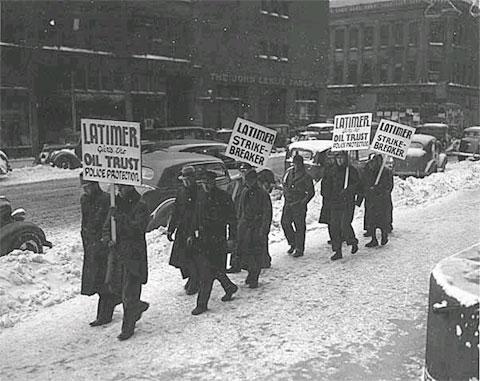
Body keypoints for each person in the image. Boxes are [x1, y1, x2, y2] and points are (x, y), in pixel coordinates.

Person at [103, 184, 150, 341]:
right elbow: (107, 226)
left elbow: (138, 229)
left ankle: (127, 328)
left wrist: (121, 219)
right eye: (118, 188)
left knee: (129, 293)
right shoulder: (115, 205)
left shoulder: (140, 205)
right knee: (116, 289)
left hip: (133, 256)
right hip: (117, 255)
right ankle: (137, 307)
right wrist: (108, 238)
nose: (120, 191)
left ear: (129, 186)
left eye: (122, 187)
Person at [188, 171, 238, 316]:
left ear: (214, 182)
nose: (205, 185)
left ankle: (202, 304)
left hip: (218, 239)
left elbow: (232, 219)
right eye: (203, 182)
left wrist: (231, 238)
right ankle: (229, 287)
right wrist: (192, 233)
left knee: (208, 272)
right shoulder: (201, 196)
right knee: (211, 269)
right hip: (203, 240)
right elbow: (196, 217)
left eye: (208, 182)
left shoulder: (223, 197)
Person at [79, 174, 120, 327]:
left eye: (88, 187)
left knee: (104, 280)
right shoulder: (85, 200)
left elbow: (107, 222)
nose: (86, 190)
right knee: (97, 281)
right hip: (91, 247)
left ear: (94, 185)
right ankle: (115, 301)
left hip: (103, 246)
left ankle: (105, 314)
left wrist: (104, 241)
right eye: (84, 188)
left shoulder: (105, 199)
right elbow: (85, 222)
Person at [167, 165, 199, 295]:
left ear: (193, 178)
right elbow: (176, 211)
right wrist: (171, 229)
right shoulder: (181, 191)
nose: (186, 181)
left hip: (195, 228)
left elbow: (200, 212)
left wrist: (195, 230)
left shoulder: (199, 191)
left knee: (192, 257)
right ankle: (192, 277)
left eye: (188, 179)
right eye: (184, 179)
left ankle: (195, 280)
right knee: (181, 257)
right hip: (183, 228)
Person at [237, 169, 272, 288]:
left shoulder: (262, 193)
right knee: (246, 252)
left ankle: (254, 276)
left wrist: (264, 229)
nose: (248, 182)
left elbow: (267, 213)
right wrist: (239, 224)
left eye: (250, 180)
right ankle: (251, 273)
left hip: (257, 227)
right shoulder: (245, 191)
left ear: (255, 180)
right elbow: (241, 209)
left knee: (255, 253)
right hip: (246, 226)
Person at [322, 151, 360, 261]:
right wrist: (326, 195)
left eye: (342, 158)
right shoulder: (332, 170)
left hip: (347, 202)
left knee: (344, 225)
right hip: (335, 202)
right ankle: (337, 251)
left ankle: (353, 241)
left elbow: (358, 184)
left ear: (345, 158)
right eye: (337, 158)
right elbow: (326, 184)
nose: (339, 160)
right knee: (334, 226)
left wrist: (348, 190)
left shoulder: (351, 170)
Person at [281, 154, 315, 257]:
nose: (295, 166)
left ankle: (300, 248)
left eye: (297, 164)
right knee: (285, 223)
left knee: (299, 227)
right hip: (288, 203)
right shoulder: (289, 173)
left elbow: (311, 192)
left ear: (301, 164)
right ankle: (293, 243)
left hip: (298, 205)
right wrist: (286, 195)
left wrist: (303, 202)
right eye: (294, 163)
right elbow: (285, 184)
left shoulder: (306, 176)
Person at [227, 162, 253, 274]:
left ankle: (249, 265)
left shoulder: (253, 185)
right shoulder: (235, 184)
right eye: (242, 171)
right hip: (235, 216)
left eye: (246, 171)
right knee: (234, 240)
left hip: (247, 218)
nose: (244, 173)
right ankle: (235, 264)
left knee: (248, 241)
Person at [364, 154, 394, 247]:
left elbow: (389, 186)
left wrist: (378, 189)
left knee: (382, 220)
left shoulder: (386, 172)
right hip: (371, 200)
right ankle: (373, 239)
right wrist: (369, 190)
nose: (374, 163)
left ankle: (384, 236)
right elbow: (365, 182)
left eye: (377, 161)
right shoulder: (370, 171)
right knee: (371, 220)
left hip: (382, 201)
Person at [258, 169, 276, 268]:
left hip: (261, 221)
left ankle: (264, 260)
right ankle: (264, 260)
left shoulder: (263, 193)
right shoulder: (260, 192)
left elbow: (267, 212)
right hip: (258, 221)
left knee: (262, 239)